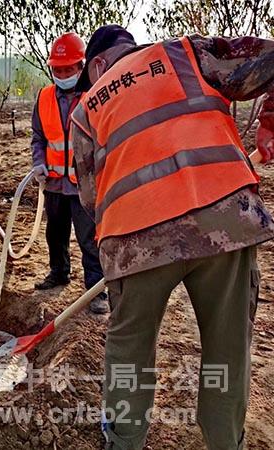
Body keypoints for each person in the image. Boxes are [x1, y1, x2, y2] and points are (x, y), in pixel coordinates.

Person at [70, 25, 274, 449]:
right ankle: (224, 441)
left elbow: (89, 197)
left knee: (129, 351)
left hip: (134, 236)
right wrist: (270, 123)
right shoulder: (188, 54)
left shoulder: (87, 108)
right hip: (224, 221)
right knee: (228, 350)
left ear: (97, 65)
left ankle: (123, 441)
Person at [31, 32, 107, 314]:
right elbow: (38, 137)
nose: (62, 74)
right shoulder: (44, 97)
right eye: (57, 69)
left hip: (83, 184)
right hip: (53, 182)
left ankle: (95, 289)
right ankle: (59, 273)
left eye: (68, 69)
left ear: (80, 67)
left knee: (89, 237)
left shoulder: (94, 96)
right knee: (55, 233)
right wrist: (38, 162)